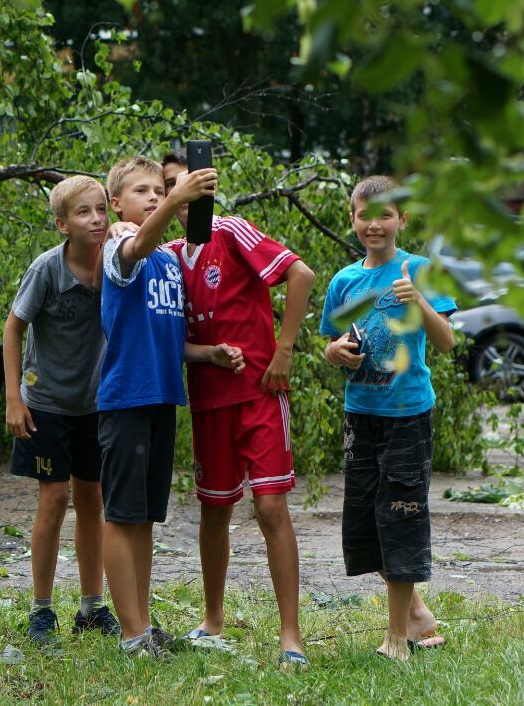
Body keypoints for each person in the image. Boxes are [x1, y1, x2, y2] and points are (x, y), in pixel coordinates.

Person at [160, 150, 316, 669]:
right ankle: (212, 620)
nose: (179, 197)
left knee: (270, 507)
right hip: (208, 403)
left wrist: (283, 351)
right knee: (214, 509)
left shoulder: (231, 231)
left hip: (260, 395)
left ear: (204, 188)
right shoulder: (165, 255)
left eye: (187, 184)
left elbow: (301, 275)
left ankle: (290, 636)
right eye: (167, 188)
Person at [319, 175, 457, 661]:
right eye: (364, 215)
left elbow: (447, 343)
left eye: (384, 215)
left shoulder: (419, 270)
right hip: (362, 414)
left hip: (407, 413)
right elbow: (331, 343)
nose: (373, 225)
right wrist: (336, 352)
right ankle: (418, 617)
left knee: (399, 517)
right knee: (364, 524)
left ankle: (397, 637)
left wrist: (419, 301)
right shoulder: (344, 281)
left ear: (403, 219)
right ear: (351, 216)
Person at [96, 156, 217, 659]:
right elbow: (135, 245)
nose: (152, 197)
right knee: (121, 516)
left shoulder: (168, 258)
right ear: (116, 205)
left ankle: (142, 623)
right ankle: (129, 635)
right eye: (141, 191)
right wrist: (174, 200)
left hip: (163, 396)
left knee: (144, 517)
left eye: (158, 190)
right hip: (126, 397)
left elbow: (167, 332)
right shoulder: (119, 248)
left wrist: (209, 354)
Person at [3, 175, 119, 644]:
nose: (95, 219)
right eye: (83, 213)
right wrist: (13, 398)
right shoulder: (47, 270)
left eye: (100, 210)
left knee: (92, 500)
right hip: (46, 404)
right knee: (53, 498)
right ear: (61, 224)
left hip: (94, 404)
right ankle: (42, 609)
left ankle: (92, 605)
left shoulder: (115, 262)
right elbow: (13, 329)